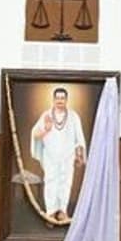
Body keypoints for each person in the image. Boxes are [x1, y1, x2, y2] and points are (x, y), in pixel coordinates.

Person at [30, 87, 87, 221]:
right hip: (50, 156)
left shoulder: (73, 116)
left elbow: (79, 138)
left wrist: (79, 154)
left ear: (66, 100)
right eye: (58, 98)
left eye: (63, 98)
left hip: (67, 156)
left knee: (66, 182)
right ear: (53, 100)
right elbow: (35, 135)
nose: (60, 101)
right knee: (51, 182)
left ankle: (62, 211)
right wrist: (46, 129)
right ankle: (50, 213)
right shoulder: (46, 115)